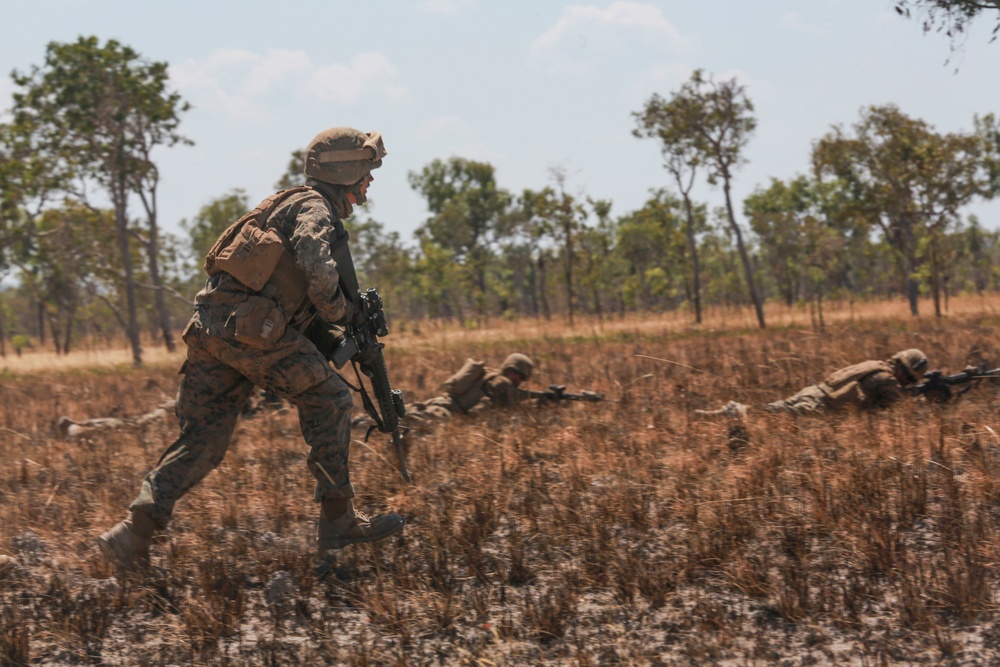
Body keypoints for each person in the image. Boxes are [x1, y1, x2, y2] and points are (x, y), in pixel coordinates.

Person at [98, 127, 405, 569]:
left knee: (203, 439)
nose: (370, 182)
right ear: (346, 171)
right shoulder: (314, 208)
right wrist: (341, 311)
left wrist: (334, 334)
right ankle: (338, 522)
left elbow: (282, 288)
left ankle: (132, 534)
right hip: (252, 333)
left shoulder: (280, 203)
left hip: (210, 330)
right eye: (367, 172)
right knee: (332, 400)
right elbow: (317, 267)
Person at [697, 348, 929, 418]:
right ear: (900, 367)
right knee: (772, 417)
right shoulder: (887, 379)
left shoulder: (876, 364)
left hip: (814, 392)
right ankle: (736, 411)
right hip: (821, 405)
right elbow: (899, 407)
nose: (905, 381)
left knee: (774, 410)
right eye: (907, 377)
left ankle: (727, 412)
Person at [356, 353, 534, 429]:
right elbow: (483, 407)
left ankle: (360, 421)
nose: (519, 381)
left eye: (522, 378)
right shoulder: (502, 383)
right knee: (407, 419)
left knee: (407, 411)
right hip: (449, 411)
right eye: (519, 376)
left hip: (440, 401)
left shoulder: (490, 374)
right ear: (511, 370)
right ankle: (361, 425)